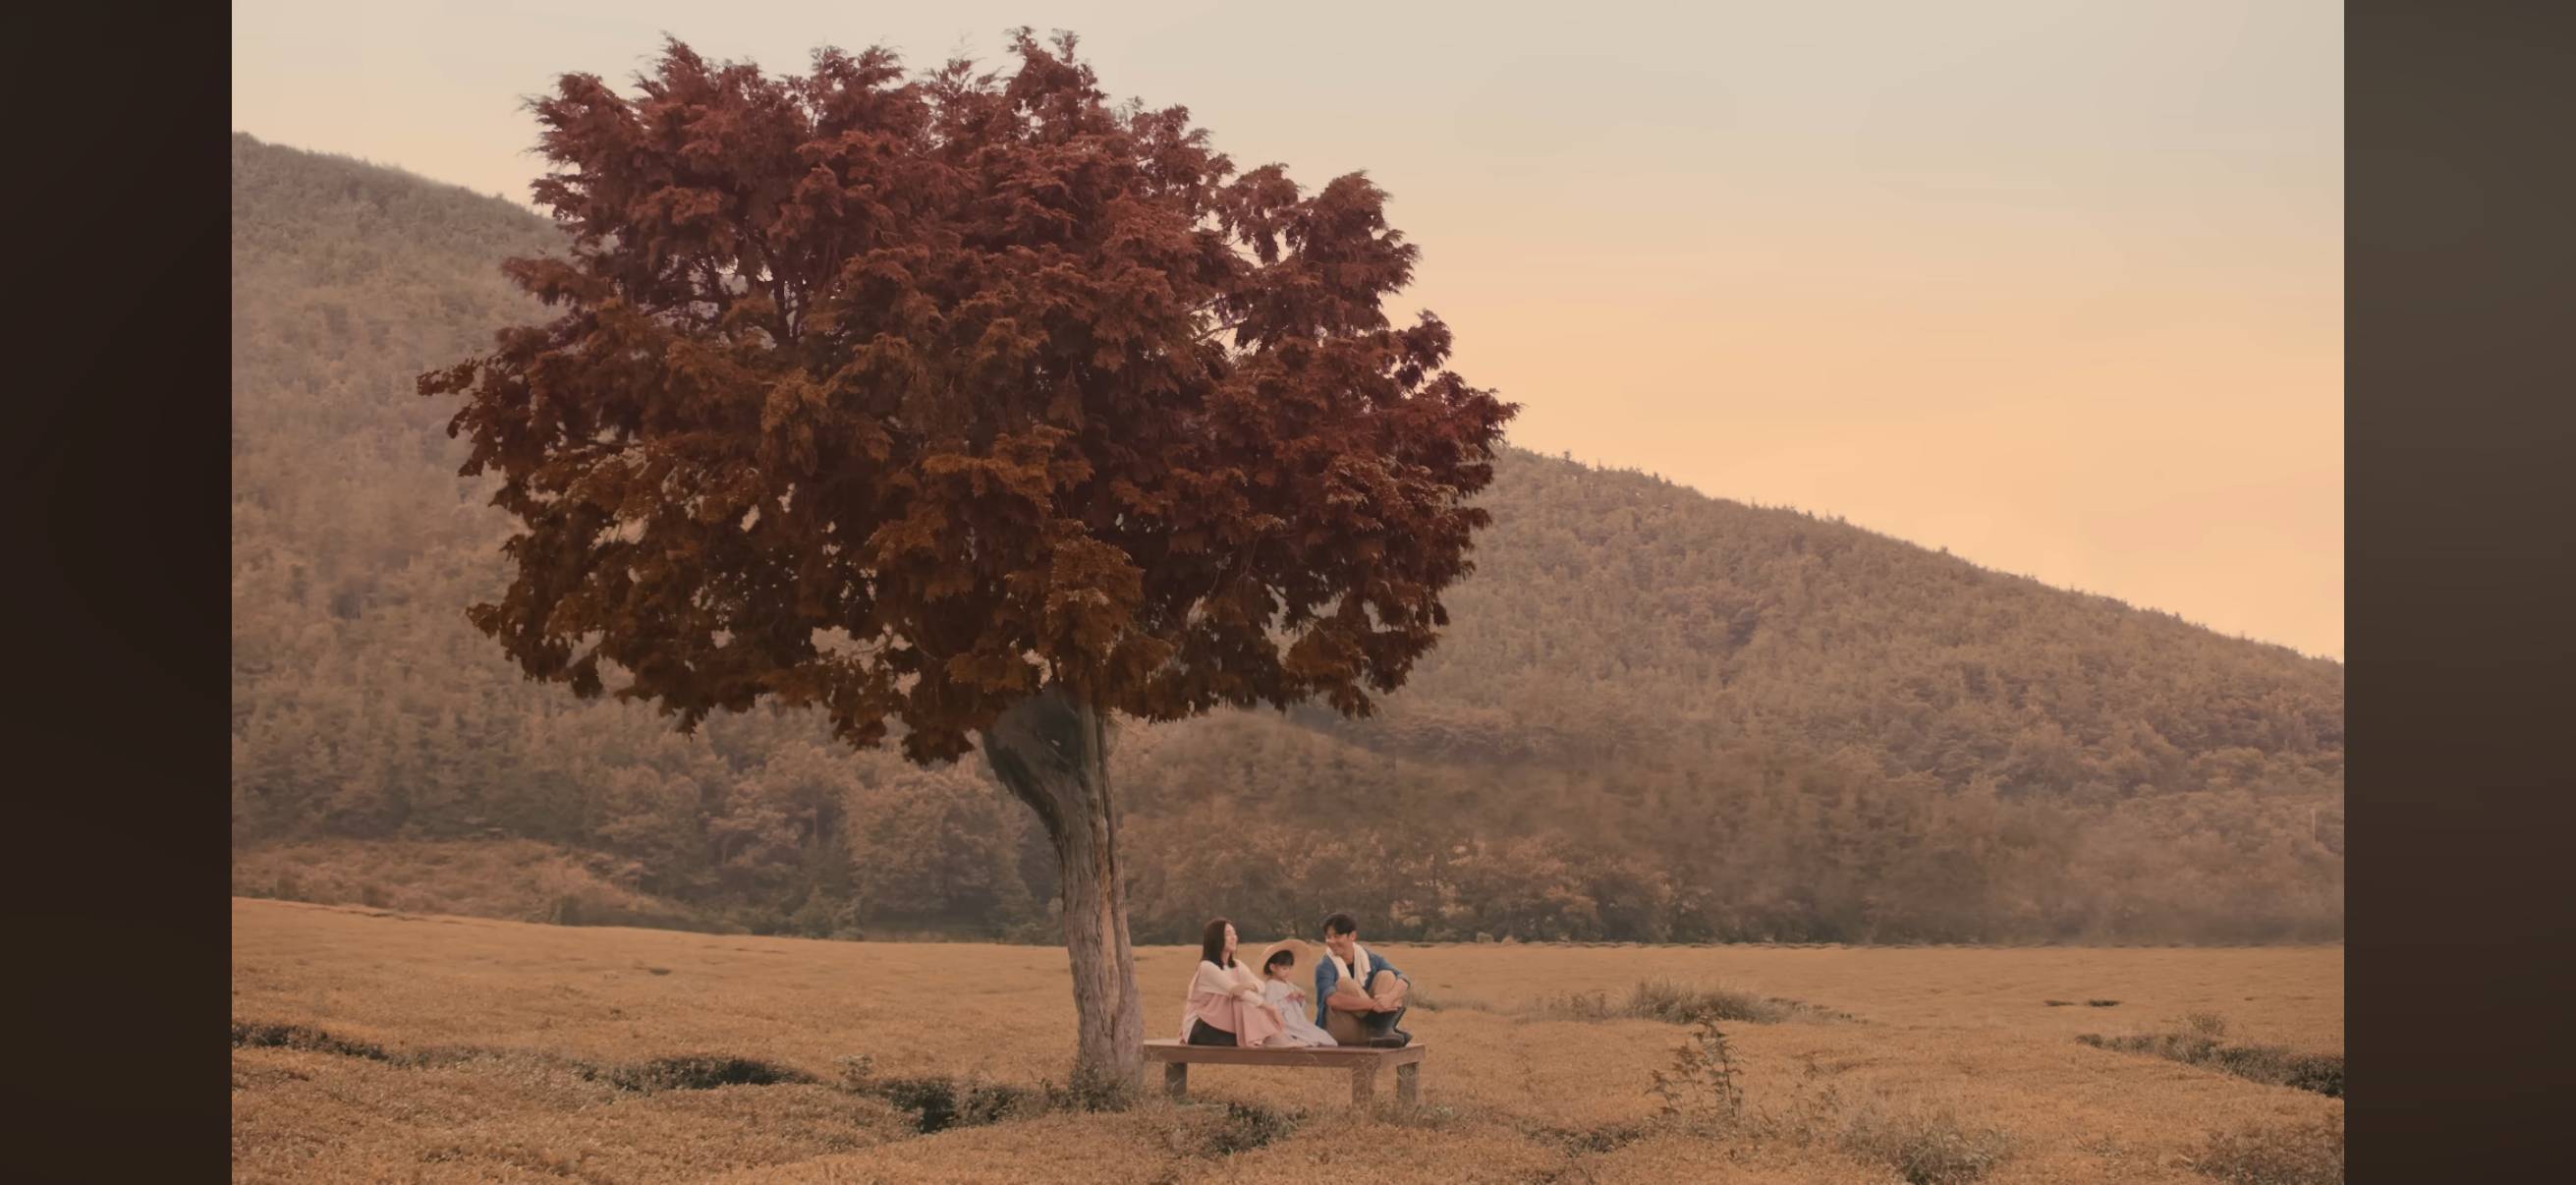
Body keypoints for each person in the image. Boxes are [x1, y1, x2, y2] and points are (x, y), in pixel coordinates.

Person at [1180, 918, 1285, 1047]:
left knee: (1247, 1012)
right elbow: (1239, 993)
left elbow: (1261, 985)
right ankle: (1263, 1037)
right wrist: (1271, 1008)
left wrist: (1247, 985)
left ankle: (1265, 1037)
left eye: (1234, 933)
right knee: (1244, 1005)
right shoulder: (1207, 967)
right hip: (1201, 1026)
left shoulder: (1237, 965)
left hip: (1220, 1021)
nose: (1233, 937)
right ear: (1215, 939)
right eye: (1228, 934)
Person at [1315, 911, 1412, 1047]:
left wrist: (1389, 999)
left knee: (1387, 975)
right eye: (1328, 937)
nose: (1331, 942)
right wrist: (1374, 1004)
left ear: (1352, 936)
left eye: (1336, 936)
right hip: (1341, 1028)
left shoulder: (1369, 958)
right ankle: (1385, 1029)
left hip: (1366, 1025)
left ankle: (1383, 1030)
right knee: (1344, 983)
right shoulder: (1325, 965)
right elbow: (1332, 1000)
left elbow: (1403, 978)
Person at [1254, 941, 1337, 1047]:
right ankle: (1294, 1038)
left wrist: (1300, 998)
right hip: (1284, 1022)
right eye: (1284, 968)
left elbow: (1298, 1007)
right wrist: (1286, 999)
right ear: (1273, 967)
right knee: (1301, 1036)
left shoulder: (1289, 984)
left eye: (1289, 968)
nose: (1288, 971)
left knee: (1322, 1035)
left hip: (1296, 1020)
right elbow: (1270, 1007)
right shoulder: (1271, 986)